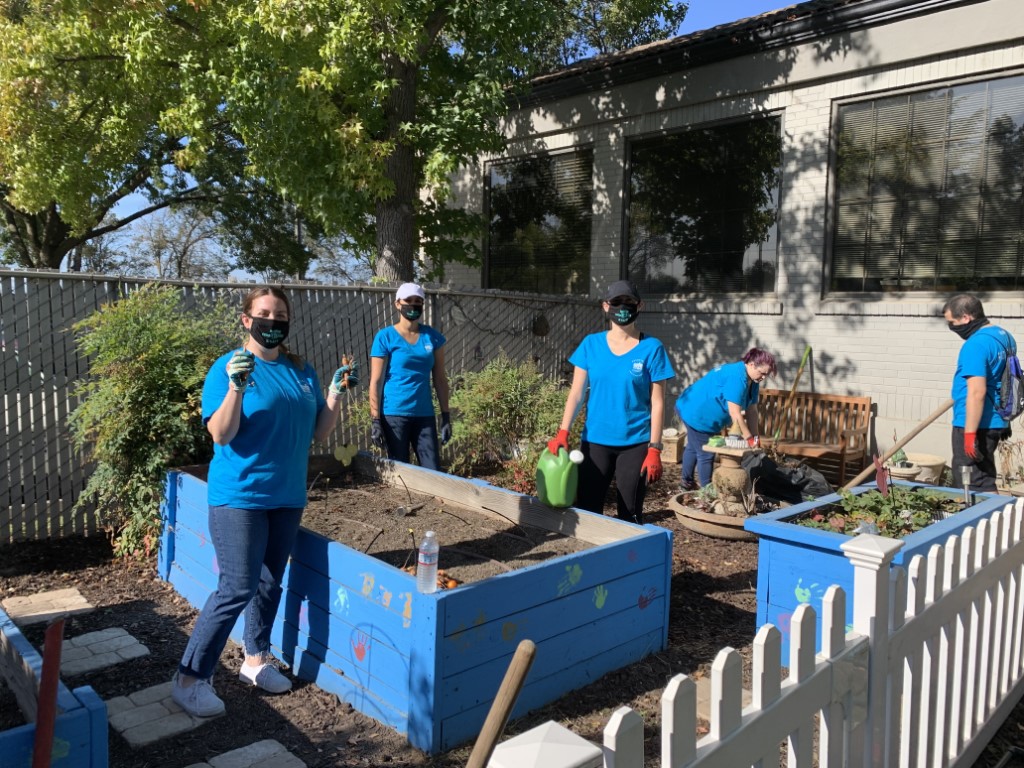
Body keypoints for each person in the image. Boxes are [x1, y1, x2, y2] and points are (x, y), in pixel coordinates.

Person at [172, 286, 357, 718]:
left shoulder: (300, 370)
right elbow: (220, 434)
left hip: (287, 495)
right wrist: (236, 387)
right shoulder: (228, 367)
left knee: (270, 582)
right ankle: (188, 678)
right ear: (246, 319)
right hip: (240, 495)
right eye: (264, 314)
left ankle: (255, 661)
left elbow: (320, 432)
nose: (272, 322)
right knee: (236, 587)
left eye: (280, 315)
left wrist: (332, 393)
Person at [546, 280, 675, 524]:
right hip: (595, 443)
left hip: (635, 444)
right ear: (606, 306)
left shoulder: (652, 348)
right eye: (616, 302)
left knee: (630, 514)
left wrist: (655, 448)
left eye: (629, 302)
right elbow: (576, 393)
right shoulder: (590, 345)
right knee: (588, 511)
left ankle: (629, 561)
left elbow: (658, 402)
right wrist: (563, 432)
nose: (622, 307)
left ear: (640, 306)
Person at [368, 283, 452, 470]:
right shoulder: (385, 337)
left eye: (418, 301)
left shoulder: (433, 337)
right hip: (394, 415)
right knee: (401, 473)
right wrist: (375, 421)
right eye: (408, 301)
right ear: (398, 304)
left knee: (432, 473)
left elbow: (440, 379)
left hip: (424, 415)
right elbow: (375, 381)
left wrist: (446, 416)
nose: (413, 305)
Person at [943, 293, 1017, 492]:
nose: (952, 327)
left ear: (966, 318)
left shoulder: (974, 345)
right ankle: (995, 522)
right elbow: (1006, 380)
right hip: (995, 421)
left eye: (952, 322)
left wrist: (969, 435)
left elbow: (977, 392)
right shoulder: (1004, 336)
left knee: (969, 484)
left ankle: (971, 521)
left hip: (974, 423)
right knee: (985, 478)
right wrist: (1006, 419)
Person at [675, 348, 777, 490]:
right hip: (695, 412)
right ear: (752, 364)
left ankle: (686, 483)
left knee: (693, 446)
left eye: (766, 374)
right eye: (762, 373)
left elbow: (752, 411)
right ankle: (708, 494)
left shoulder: (753, 380)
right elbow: (735, 414)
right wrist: (749, 440)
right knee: (706, 453)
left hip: (700, 413)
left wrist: (755, 439)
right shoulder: (736, 377)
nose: (764, 377)